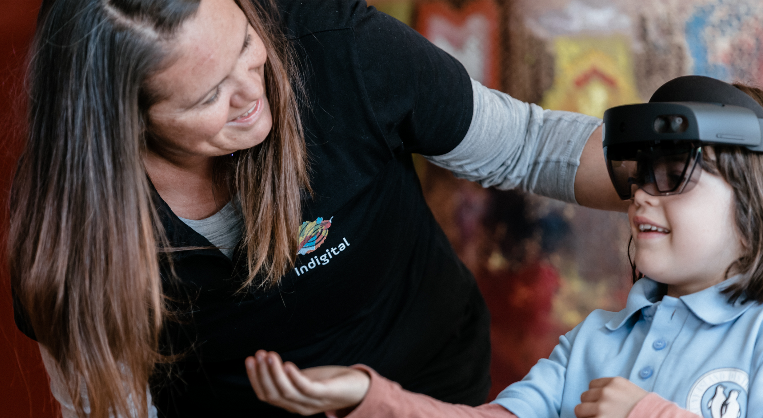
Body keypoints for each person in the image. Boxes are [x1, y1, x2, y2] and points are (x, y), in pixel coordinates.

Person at [8, 0, 621, 417]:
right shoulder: (72, 234)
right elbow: (110, 404)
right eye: (209, 96)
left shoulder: (338, 48)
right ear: (121, 124)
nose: (254, 91)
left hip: (423, 383)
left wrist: (675, 174)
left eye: (246, 44)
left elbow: (530, 145)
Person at [245, 76, 763, 418]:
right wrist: (370, 396)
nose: (643, 195)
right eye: (641, 177)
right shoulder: (591, 343)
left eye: (676, 178)